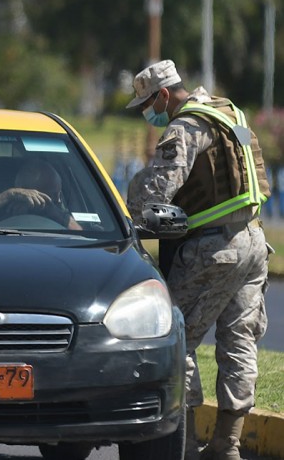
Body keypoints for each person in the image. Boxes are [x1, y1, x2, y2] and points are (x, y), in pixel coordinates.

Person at [124, 59, 271, 460]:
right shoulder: (229, 112)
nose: (146, 114)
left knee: (176, 343)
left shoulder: (184, 127)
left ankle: (185, 446)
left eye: (146, 105)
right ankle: (227, 446)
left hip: (212, 248)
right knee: (239, 343)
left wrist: (127, 216)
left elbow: (155, 192)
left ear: (164, 95)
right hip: (254, 242)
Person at [0, 159, 82, 230]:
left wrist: (53, 211)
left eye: (58, 194)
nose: (59, 200)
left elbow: (80, 235)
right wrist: (7, 196)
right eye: (50, 195)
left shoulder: (57, 210)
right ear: (25, 192)